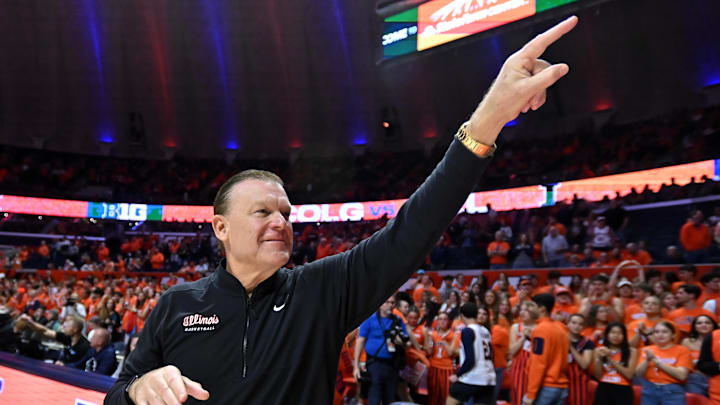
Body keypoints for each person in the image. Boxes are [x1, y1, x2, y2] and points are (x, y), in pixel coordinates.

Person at [104, 16, 580, 405]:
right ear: (221, 228)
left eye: (286, 214)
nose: (280, 222)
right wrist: (137, 390)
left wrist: (488, 119)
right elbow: (115, 397)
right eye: (263, 212)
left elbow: (413, 229)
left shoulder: (321, 290)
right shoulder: (178, 304)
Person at [354, 296, 409, 405]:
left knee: (390, 397)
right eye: (387, 302)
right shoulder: (370, 319)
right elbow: (360, 341)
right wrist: (356, 366)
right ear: (380, 304)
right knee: (374, 396)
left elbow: (406, 341)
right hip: (375, 363)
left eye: (392, 303)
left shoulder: (397, 320)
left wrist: (400, 341)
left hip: (392, 364)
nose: (390, 305)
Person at [523, 294, 569, 405]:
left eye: (532, 306)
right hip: (561, 387)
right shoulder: (561, 327)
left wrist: (531, 394)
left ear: (542, 309)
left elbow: (538, 363)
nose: (529, 309)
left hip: (546, 387)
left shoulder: (540, 330)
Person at [446, 303, 496, 405]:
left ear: (462, 316)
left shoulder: (468, 330)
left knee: (451, 400)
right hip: (488, 378)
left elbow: (470, 359)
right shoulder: (485, 331)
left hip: (473, 377)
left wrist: (457, 375)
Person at [636, 321, 692, 405]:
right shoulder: (646, 349)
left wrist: (657, 362)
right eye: (656, 332)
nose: (660, 335)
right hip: (649, 389)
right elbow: (639, 374)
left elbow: (681, 375)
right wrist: (647, 360)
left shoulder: (683, 350)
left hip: (673, 391)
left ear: (673, 335)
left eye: (665, 332)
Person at [17, 313, 90, 368]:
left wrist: (65, 365)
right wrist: (30, 322)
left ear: (75, 330)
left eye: (67, 326)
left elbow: (81, 365)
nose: (64, 327)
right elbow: (45, 331)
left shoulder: (84, 346)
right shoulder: (66, 337)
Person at [591, 323, 637, 405]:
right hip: (604, 388)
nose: (616, 336)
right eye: (613, 332)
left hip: (623, 389)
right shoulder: (599, 350)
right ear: (607, 335)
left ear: (624, 336)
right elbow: (598, 376)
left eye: (620, 333)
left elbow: (629, 375)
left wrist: (610, 359)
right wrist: (600, 359)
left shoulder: (632, 351)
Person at [424, 311, 457, 405]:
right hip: (434, 367)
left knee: (446, 396)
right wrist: (427, 338)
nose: (442, 321)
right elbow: (429, 352)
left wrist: (442, 339)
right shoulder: (432, 334)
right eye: (440, 319)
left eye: (445, 319)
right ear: (437, 321)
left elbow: (451, 352)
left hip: (447, 368)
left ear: (448, 321)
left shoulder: (453, 335)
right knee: (433, 396)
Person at [681, 314, 717, 397]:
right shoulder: (687, 342)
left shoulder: (718, 341)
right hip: (695, 378)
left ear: (713, 326)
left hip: (715, 378)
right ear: (694, 327)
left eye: (707, 323)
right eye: (699, 323)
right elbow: (681, 362)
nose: (703, 325)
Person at [509, 301, 537, 405]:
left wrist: (531, 337)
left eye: (526, 310)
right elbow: (511, 352)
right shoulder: (515, 327)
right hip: (519, 367)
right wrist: (523, 338)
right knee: (518, 398)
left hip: (535, 366)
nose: (522, 313)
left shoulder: (540, 327)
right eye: (521, 310)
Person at [566, 314, 594, 405]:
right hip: (562, 378)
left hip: (579, 382)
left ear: (583, 327)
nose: (576, 326)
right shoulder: (559, 338)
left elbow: (585, 364)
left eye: (580, 324)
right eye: (573, 323)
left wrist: (570, 346)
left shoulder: (587, 342)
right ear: (568, 324)